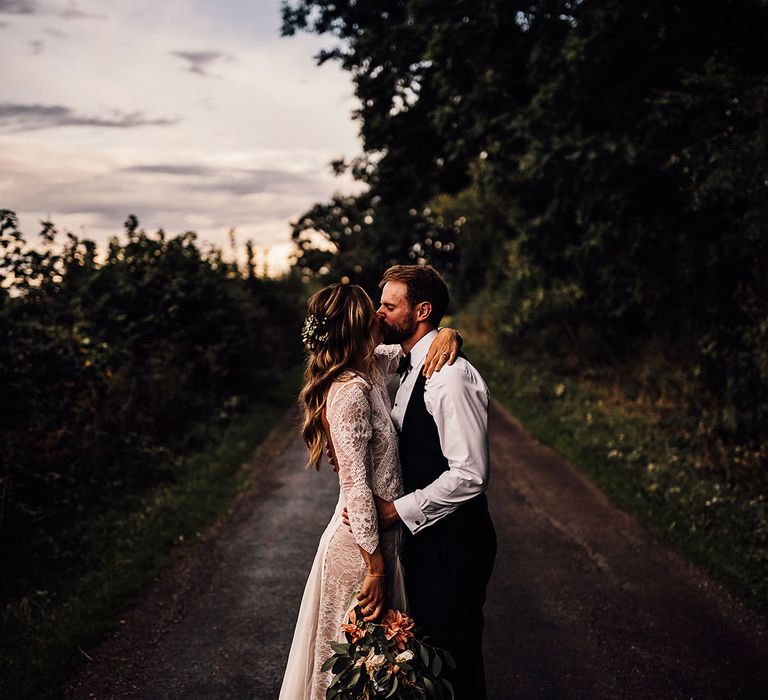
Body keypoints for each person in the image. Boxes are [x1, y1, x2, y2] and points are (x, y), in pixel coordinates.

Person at [279, 282, 461, 700]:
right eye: (373, 311)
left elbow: (419, 345)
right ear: (358, 326)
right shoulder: (349, 393)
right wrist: (375, 569)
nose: (381, 315)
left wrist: (451, 333)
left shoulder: (370, 367)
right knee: (350, 674)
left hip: (384, 546)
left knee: (378, 676)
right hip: (361, 553)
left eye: (382, 308)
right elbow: (357, 488)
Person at [369, 264, 497, 699]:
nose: (378, 313)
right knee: (430, 661)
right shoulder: (404, 363)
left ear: (421, 310)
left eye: (389, 305)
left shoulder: (449, 375)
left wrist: (396, 511)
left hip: (456, 544)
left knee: (455, 660)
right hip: (427, 542)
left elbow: (470, 473)